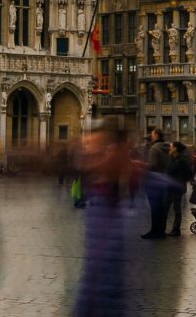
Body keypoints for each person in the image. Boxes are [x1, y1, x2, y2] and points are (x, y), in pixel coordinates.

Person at [74, 118, 132, 317]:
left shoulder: (123, 207)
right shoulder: (98, 197)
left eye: (98, 150)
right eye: (86, 147)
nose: (89, 155)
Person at [141, 127, 172, 240]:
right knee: (162, 208)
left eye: (153, 134)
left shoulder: (154, 148)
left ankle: (154, 231)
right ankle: (161, 231)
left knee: (155, 208)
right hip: (165, 179)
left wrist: (141, 166)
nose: (151, 136)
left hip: (154, 181)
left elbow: (152, 165)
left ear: (157, 136)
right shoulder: (168, 147)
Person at [166, 142, 193, 236]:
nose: (169, 148)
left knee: (176, 208)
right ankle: (172, 229)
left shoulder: (180, 160)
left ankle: (176, 230)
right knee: (170, 207)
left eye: (171, 147)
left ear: (175, 149)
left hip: (177, 187)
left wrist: (181, 180)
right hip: (173, 186)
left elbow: (169, 170)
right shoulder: (175, 158)